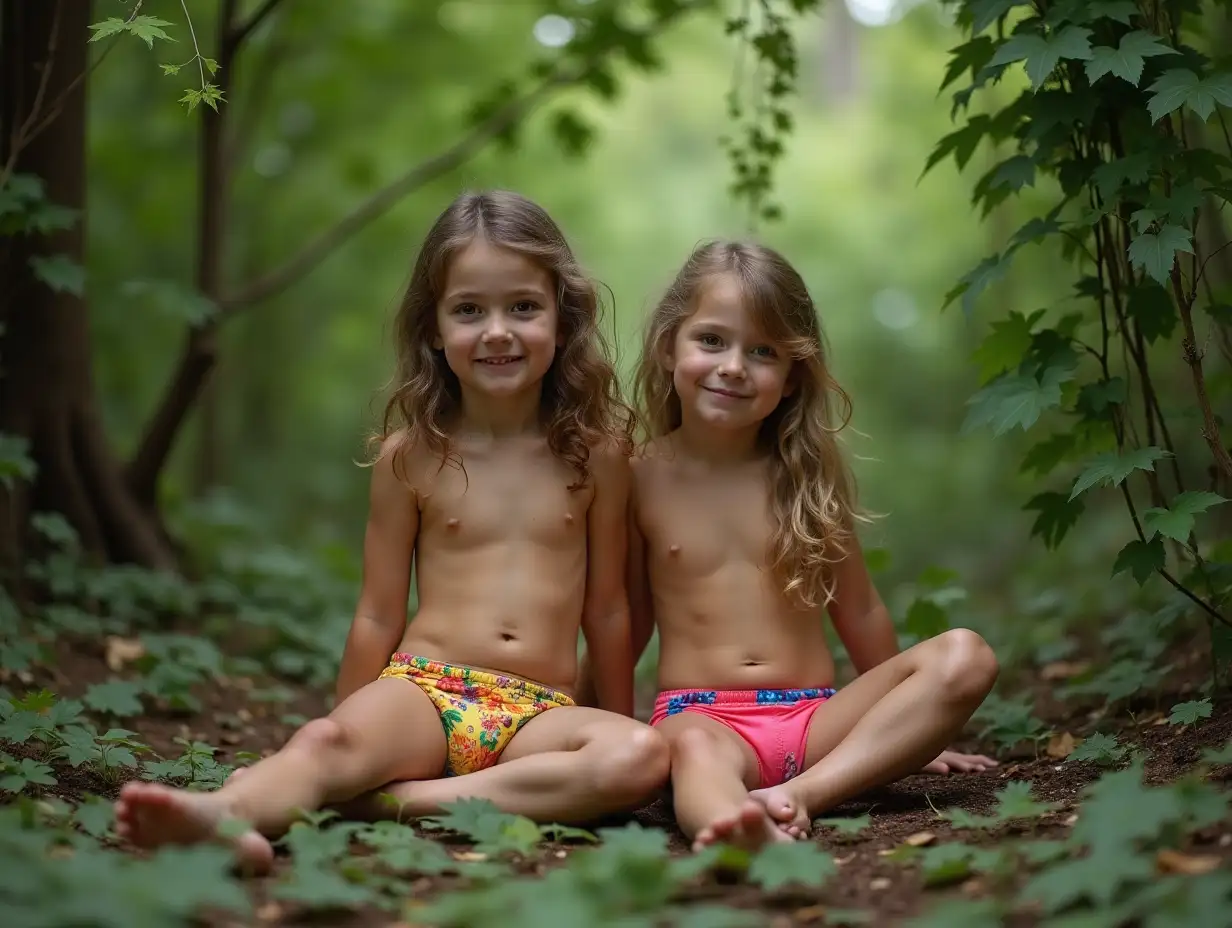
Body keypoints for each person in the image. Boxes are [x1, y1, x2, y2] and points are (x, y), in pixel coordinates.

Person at [115, 190, 669, 873]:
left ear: (562, 317)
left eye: (523, 307)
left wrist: (612, 720)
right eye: (469, 310)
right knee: (323, 742)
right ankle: (221, 817)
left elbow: (610, 610)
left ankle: (390, 801)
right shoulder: (412, 455)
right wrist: (353, 732)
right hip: (425, 691)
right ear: (434, 329)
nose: (497, 331)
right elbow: (379, 611)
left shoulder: (600, 453)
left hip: (539, 713)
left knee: (637, 754)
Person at [580, 240, 998, 852]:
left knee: (966, 654)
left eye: (763, 352)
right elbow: (624, 618)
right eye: (712, 341)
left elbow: (859, 610)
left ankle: (804, 794)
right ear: (669, 345)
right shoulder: (639, 476)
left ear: (792, 373)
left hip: (817, 719)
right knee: (695, 751)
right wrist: (611, 729)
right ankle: (733, 828)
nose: (733, 366)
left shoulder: (804, 474)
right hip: (703, 715)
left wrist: (911, 731)